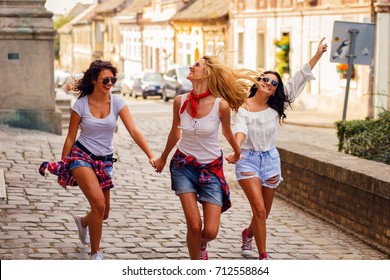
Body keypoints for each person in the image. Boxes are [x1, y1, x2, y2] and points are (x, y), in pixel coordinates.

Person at [39, 60, 155, 260]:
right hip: (81, 156)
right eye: (106, 79)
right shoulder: (81, 105)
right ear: (94, 80)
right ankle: (95, 254)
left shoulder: (117, 102)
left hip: (105, 161)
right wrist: (62, 167)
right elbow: (70, 137)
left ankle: (83, 222)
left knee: (103, 212)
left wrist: (151, 155)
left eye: (113, 79)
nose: (110, 83)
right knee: (99, 205)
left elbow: (134, 130)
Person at [227, 37, 328, 260]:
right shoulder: (242, 107)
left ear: (275, 90)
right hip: (248, 160)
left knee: (264, 213)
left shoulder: (276, 105)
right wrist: (236, 150)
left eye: (273, 83)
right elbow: (240, 130)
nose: (269, 84)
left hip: (271, 159)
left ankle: (248, 233)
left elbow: (299, 78)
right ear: (258, 81)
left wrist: (318, 54)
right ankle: (264, 256)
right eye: (266, 80)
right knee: (260, 211)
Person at [153, 55, 258, 260]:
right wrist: (163, 158)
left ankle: (200, 245)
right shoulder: (179, 101)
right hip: (183, 165)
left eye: (197, 65)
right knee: (194, 225)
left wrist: (237, 153)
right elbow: (175, 133)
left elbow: (227, 133)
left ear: (207, 73)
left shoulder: (221, 106)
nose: (191, 66)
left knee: (210, 232)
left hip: (210, 169)